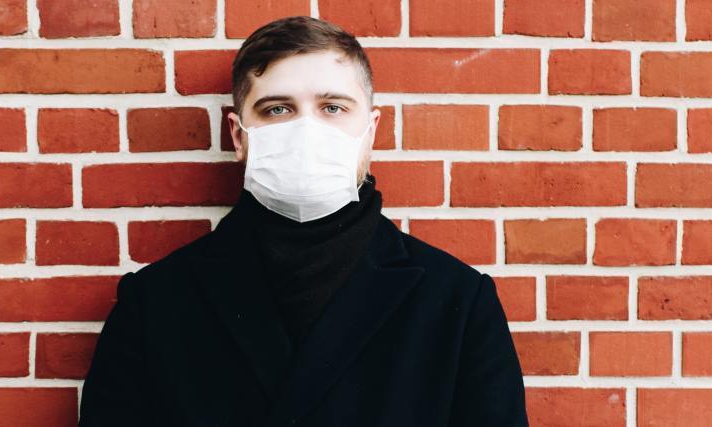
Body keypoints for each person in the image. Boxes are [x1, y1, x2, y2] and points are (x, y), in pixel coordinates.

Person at [78, 16, 528, 426]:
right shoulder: (155, 303)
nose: (306, 130)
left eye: (333, 107)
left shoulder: (457, 302)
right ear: (239, 136)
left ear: (370, 132)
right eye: (277, 109)